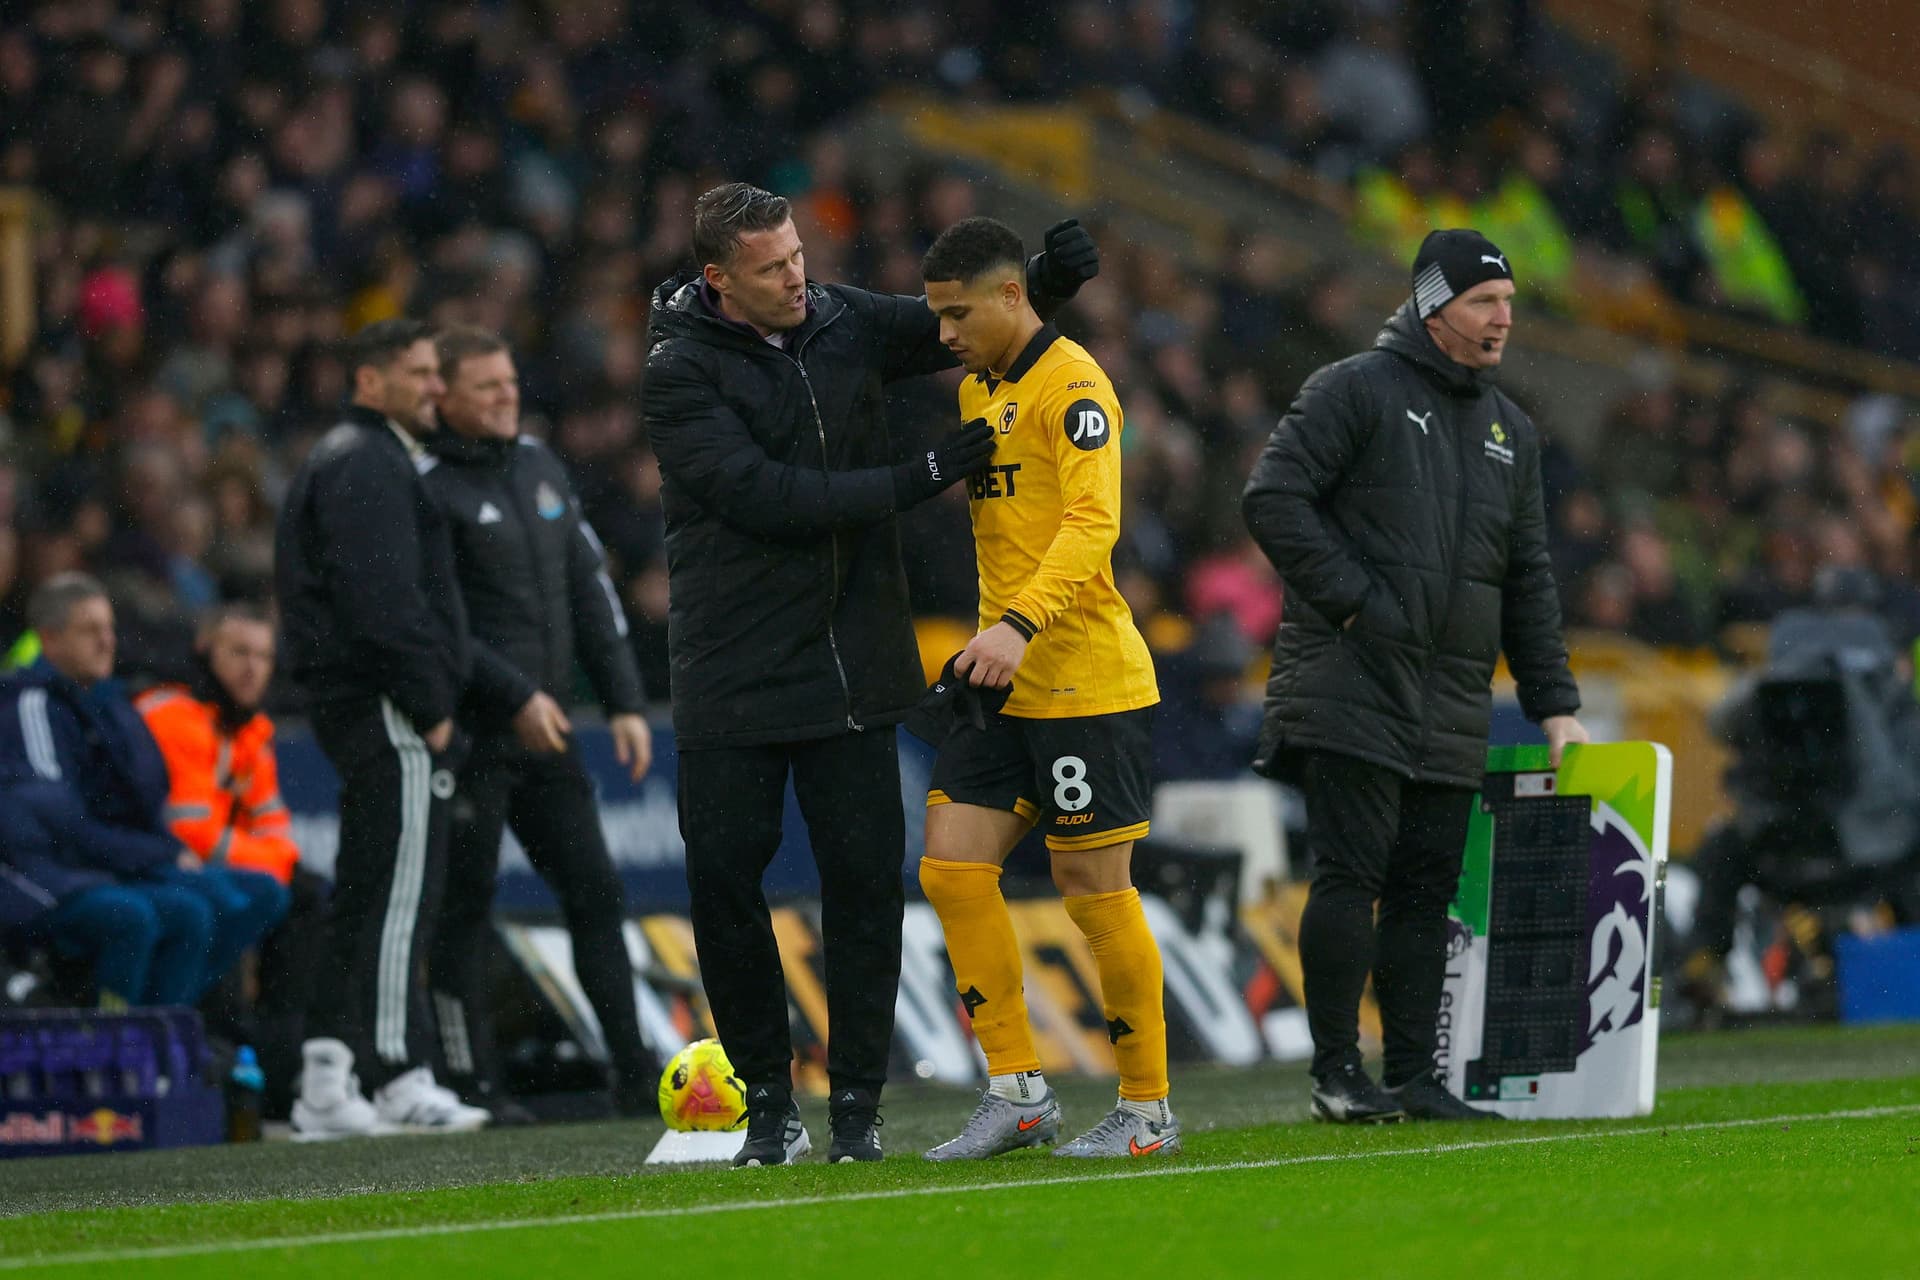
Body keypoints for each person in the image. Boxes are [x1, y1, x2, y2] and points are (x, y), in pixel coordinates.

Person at [641, 183, 1097, 1166]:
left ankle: (854, 1108)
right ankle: (769, 1101)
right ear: (719, 278)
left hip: (854, 664)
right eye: (772, 268)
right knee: (725, 883)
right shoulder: (678, 371)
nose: (797, 276)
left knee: (863, 884)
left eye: (799, 254)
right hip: (734, 669)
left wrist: (1047, 282)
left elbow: (958, 328)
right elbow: (761, 497)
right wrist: (917, 475)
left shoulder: (840, 316)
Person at [1241, 229, 1587, 1123]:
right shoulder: (1354, 389)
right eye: (1484, 302)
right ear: (1436, 308)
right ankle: (1333, 1073)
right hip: (1352, 680)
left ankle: (1412, 1077)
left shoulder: (1514, 429)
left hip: (1452, 695)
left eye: (1508, 303)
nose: (1503, 318)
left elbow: (1528, 580)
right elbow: (1272, 497)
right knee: (1351, 874)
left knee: (1427, 890)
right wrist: (1358, 605)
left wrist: (1555, 703)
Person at [911, 217, 1176, 1160]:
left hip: (1082, 679)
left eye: (956, 313)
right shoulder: (981, 387)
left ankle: (1146, 1111)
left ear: (1012, 296)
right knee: (949, 868)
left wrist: (1018, 625)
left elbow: (1093, 526)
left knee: (1092, 889)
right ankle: (1019, 1091)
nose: (943, 334)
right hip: (1004, 681)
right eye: (936, 315)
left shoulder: (1077, 388)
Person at [420, 325, 657, 1122]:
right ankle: (467, 1082)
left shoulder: (538, 466)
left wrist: (623, 699)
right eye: (485, 387)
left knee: (596, 892)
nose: (504, 398)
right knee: (465, 906)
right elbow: (440, 624)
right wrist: (515, 696)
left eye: (509, 383)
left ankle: (632, 1069)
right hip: (473, 735)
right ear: (442, 396)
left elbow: (588, 588)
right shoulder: (425, 486)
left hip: (547, 732)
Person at [275, 317, 489, 1137]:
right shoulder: (367, 463)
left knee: (367, 893)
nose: (437, 387)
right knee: (401, 899)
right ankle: (398, 1074)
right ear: (371, 382)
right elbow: (385, 606)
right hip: (388, 706)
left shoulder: (352, 458)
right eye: (421, 372)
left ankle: (326, 1078)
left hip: (361, 701)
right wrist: (432, 708)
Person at [0, 574, 259, 1008]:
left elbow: (140, 799)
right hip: (45, 876)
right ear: (49, 638)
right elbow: (57, 821)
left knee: (255, 897)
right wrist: (154, 856)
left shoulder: (108, 702)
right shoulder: (32, 705)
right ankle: (117, 1037)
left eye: (109, 629)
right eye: (89, 630)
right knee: (156, 914)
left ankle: (166, 1032)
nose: (107, 642)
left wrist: (157, 849)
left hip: (103, 864)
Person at [137, 601, 329, 1117]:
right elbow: (192, 830)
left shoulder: (248, 728)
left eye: (263, 656)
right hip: (160, 864)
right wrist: (267, 860)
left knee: (305, 894)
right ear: (205, 652)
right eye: (238, 652)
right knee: (241, 897)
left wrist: (271, 860)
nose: (252, 668)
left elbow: (274, 825)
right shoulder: (176, 714)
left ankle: (285, 1066)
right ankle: (232, 1060)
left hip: (214, 867)